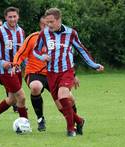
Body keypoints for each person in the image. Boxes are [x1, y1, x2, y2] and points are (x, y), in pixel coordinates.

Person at [33, 8, 104, 137]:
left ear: (59, 20)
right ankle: (79, 120)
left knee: (63, 96)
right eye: (47, 22)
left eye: (51, 22)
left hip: (66, 71)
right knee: (60, 105)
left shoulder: (71, 33)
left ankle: (71, 129)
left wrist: (94, 65)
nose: (49, 25)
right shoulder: (44, 33)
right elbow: (35, 51)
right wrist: (42, 57)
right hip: (51, 73)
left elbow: (82, 50)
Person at [12, 16, 81, 132]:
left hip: (55, 73)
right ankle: (40, 119)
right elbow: (20, 53)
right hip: (34, 73)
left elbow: (67, 59)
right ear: (41, 25)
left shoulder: (60, 39)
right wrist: (15, 64)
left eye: (50, 24)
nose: (48, 27)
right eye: (45, 24)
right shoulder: (33, 38)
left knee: (67, 100)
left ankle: (76, 122)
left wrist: (73, 75)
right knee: (35, 87)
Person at [0, 7, 28, 130]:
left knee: (12, 99)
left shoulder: (21, 31)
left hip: (17, 70)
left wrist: (26, 65)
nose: (12, 19)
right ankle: (25, 124)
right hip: (5, 71)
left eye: (14, 16)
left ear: (18, 17)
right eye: (10, 17)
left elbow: (22, 52)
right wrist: (0, 62)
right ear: (5, 18)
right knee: (22, 97)